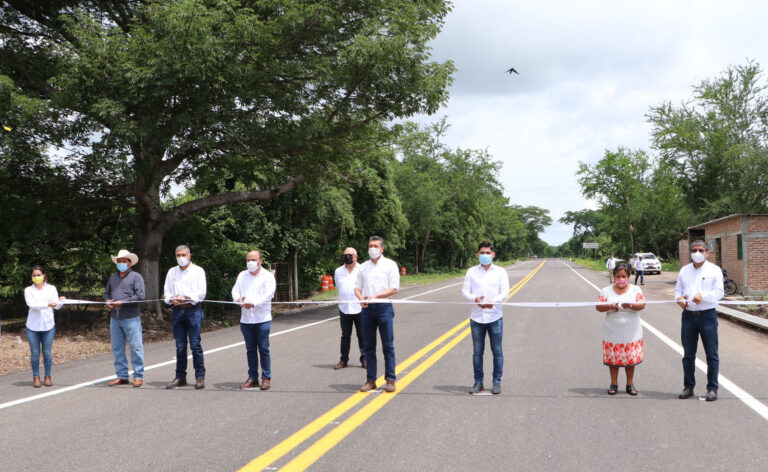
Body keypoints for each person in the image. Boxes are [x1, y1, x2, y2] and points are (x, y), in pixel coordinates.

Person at [675, 240, 724, 402]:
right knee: (688, 354)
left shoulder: (714, 270)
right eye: (694, 250)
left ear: (707, 253)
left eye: (700, 250)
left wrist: (703, 296)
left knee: (712, 354)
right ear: (690, 253)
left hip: (707, 316)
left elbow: (719, 292)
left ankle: (712, 388)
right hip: (688, 316)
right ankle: (688, 386)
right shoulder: (684, 270)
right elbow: (678, 290)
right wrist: (679, 299)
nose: (697, 253)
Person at [461, 242, 510, 395]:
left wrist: (493, 301)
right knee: (477, 352)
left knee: (497, 352)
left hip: (495, 316)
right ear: (477, 254)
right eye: (482, 252)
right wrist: (475, 299)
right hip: (476, 317)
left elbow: (505, 292)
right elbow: (464, 291)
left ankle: (496, 382)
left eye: (488, 253)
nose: (485, 255)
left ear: (493, 255)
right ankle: (478, 382)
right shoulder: (471, 271)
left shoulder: (501, 272)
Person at [355, 236, 400, 393]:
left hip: (384, 308)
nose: (372, 248)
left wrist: (376, 296)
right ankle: (371, 380)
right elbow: (357, 287)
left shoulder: (390, 265)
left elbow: (394, 289)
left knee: (388, 346)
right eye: (370, 246)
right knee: (368, 347)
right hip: (367, 309)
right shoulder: (363, 267)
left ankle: (390, 380)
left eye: (375, 246)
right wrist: (361, 299)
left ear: (382, 249)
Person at [596, 264, 646, 396]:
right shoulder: (606, 291)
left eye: (624, 276)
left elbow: (642, 305)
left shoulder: (636, 290)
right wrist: (609, 306)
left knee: (630, 358)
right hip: (612, 330)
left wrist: (630, 305)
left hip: (632, 330)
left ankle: (630, 384)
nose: (621, 279)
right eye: (618, 276)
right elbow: (598, 307)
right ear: (614, 277)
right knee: (614, 358)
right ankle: (614, 383)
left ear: (629, 276)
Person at [163, 245, 207, 389]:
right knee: (180, 346)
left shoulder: (198, 271)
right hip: (177, 311)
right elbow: (167, 292)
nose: (180, 258)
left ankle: (199, 376)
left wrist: (187, 298)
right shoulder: (172, 272)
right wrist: (172, 299)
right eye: (178, 255)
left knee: (195, 345)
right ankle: (180, 377)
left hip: (193, 310)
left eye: (183, 255)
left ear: (189, 255)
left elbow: (201, 293)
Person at [231, 250, 276, 390]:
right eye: (248, 259)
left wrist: (253, 303)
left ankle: (266, 378)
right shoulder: (242, 275)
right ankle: (252, 378)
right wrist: (237, 299)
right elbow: (235, 290)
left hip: (262, 319)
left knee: (263, 349)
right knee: (250, 350)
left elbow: (268, 295)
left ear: (260, 261)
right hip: (246, 320)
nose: (250, 262)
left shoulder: (267, 276)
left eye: (253, 259)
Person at [105, 249, 146, 387]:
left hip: (131, 318)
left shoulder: (136, 277)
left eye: (124, 260)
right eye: (119, 261)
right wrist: (109, 303)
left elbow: (140, 295)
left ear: (129, 262)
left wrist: (123, 302)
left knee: (136, 347)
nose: (121, 263)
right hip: (115, 318)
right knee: (117, 348)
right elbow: (107, 294)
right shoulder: (113, 278)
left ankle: (138, 376)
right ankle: (122, 375)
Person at [24, 266, 65, 388]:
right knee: (35, 353)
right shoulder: (28, 290)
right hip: (32, 327)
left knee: (47, 353)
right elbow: (32, 305)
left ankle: (47, 376)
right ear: (31, 277)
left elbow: (56, 306)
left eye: (38, 275)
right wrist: (48, 304)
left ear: (44, 275)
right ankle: (36, 377)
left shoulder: (51, 289)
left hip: (48, 326)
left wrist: (61, 301)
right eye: (34, 275)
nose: (36, 277)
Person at [333, 248, 365, 370]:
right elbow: (338, 287)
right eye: (345, 255)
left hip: (360, 307)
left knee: (362, 335)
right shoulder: (338, 271)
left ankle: (365, 359)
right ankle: (343, 360)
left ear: (356, 257)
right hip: (344, 308)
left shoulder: (362, 269)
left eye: (350, 255)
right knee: (345, 335)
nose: (347, 257)